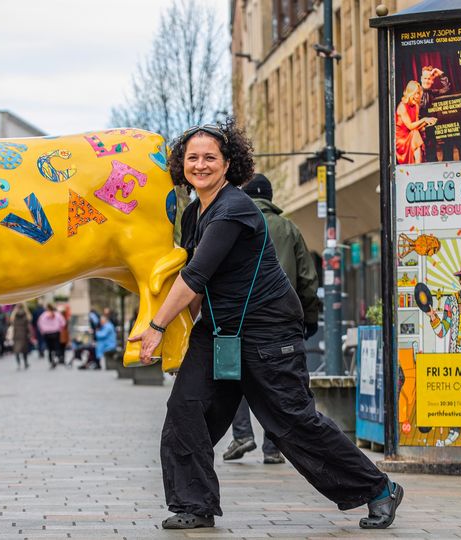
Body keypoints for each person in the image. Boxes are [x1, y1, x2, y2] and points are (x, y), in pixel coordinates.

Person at [129, 119, 401, 531]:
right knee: (186, 409)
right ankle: (194, 503)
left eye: (210, 158)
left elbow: (196, 275)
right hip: (220, 330)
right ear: (181, 165)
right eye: (192, 158)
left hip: (267, 330)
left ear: (228, 163)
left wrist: (157, 326)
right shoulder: (193, 216)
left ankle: (378, 489)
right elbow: (194, 285)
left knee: (290, 422)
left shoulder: (235, 208)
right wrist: (183, 335)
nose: (200, 165)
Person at [223, 173, 321, 465]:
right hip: (280, 321)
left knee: (235, 375)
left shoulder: (233, 224)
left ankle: (242, 434)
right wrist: (310, 316)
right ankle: (272, 446)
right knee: (277, 381)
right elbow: (307, 278)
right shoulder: (288, 228)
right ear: (270, 196)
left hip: (239, 319)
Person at [395, 80, 436, 165]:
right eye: (415, 93)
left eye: (418, 93)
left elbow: (416, 126)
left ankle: (418, 163)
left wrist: (427, 122)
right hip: (401, 138)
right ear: (410, 93)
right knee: (415, 133)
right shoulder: (402, 106)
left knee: (416, 133)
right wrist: (424, 119)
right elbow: (410, 126)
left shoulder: (416, 106)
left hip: (412, 134)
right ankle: (418, 163)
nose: (417, 96)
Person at [419, 65, 451, 162]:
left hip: (430, 127)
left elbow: (447, 88)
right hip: (417, 128)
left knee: (447, 140)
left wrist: (440, 73)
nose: (427, 81)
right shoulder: (414, 92)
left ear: (432, 80)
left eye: (429, 79)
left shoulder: (432, 92)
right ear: (421, 79)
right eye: (425, 78)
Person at [37, 303, 66, 368]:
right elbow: (63, 323)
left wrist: (43, 331)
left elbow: (39, 324)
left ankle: (51, 361)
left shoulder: (43, 315)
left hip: (47, 333)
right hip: (56, 332)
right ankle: (56, 357)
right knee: (56, 346)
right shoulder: (57, 314)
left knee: (49, 348)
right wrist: (60, 329)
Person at [11, 304, 31, 369]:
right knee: (24, 351)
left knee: (16, 351)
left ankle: (19, 364)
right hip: (24, 335)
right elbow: (30, 319)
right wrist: (26, 309)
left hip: (16, 335)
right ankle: (25, 363)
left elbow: (11, 320)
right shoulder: (25, 315)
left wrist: (15, 309)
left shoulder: (14, 316)